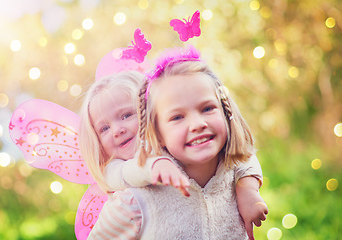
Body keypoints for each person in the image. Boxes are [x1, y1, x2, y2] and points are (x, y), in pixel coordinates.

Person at [87, 46, 268, 240]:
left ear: (226, 111)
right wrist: (155, 165)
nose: (197, 124)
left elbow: (245, 154)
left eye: (207, 108)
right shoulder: (134, 202)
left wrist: (247, 188)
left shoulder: (234, 174)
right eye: (177, 117)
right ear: (156, 132)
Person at [79, 70, 191, 195]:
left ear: (150, 110)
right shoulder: (113, 171)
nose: (117, 131)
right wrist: (153, 165)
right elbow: (128, 173)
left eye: (126, 116)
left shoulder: (174, 141)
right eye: (105, 129)